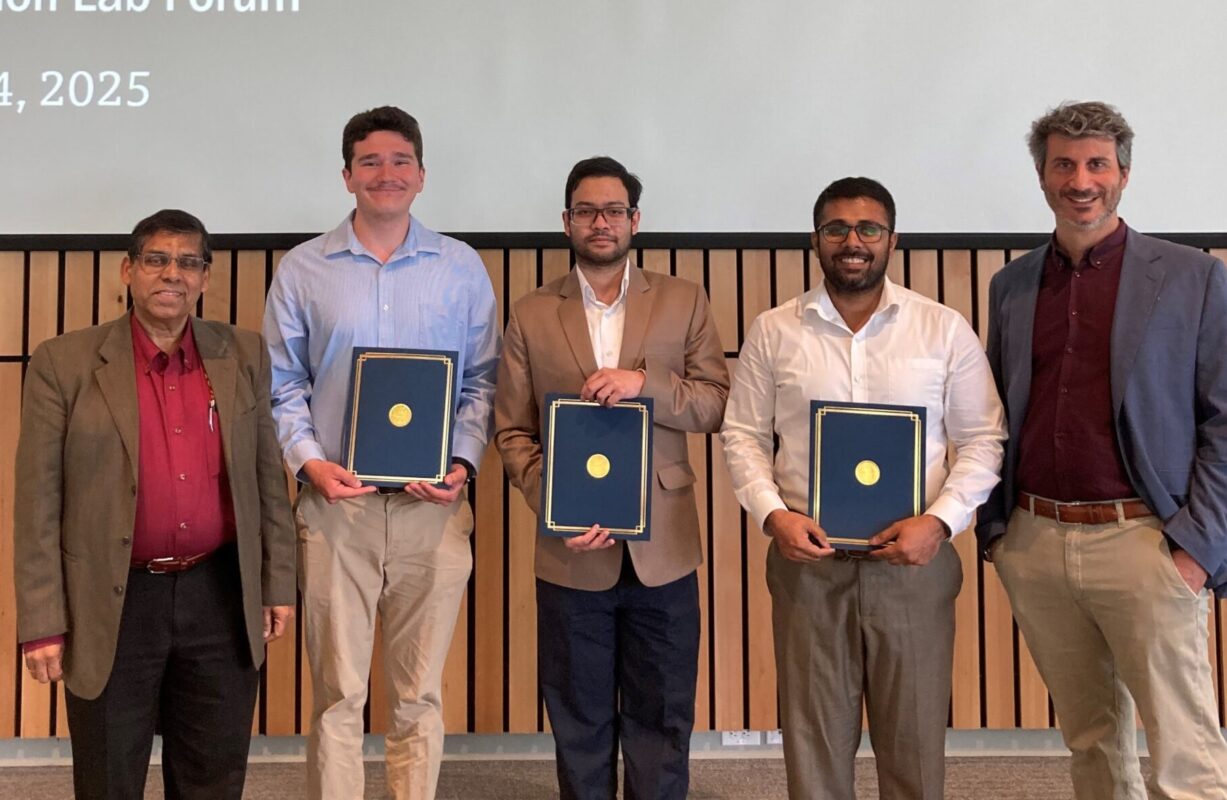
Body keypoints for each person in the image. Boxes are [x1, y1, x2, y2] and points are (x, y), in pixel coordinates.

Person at [720, 177, 1005, 799]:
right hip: (808, 564)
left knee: (915, 742)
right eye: (837, 229)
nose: (853, 242)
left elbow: (984, 441)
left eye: (868, 229)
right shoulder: (774, 330)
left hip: (914, 564)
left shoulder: (942, 329)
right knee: (814, 742)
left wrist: (940, 523)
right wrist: (773, 516)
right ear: (816, 241)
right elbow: (741, 436)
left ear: (891, 240)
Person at [977, 100, 1227, 799]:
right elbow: (995, 411)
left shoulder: (1191, 278)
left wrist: (1194, 549)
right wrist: (1000, 534)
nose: (1079, 180)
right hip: (1037, 542)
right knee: (1090, 740)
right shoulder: (1011, 285)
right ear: (1041, 176)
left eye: (1095, 165)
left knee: (1184, 751)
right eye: (1063, 164)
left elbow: (1224, 420)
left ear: (1122, 175)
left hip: (1145, 544)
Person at [13, 209, 296, 799]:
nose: (173, 274)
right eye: (157, 260)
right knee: (110, 778)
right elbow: (38, 500)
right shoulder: (63, 363)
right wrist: (42, 620)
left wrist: (276, 584)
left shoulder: (242, 354)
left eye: (189, 262)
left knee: (213, 777)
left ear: (205, 278)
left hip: (218, 595)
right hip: (113, 600)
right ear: (128, 271)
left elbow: (269, 479)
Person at [263, 106, 499, 800]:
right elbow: (283, 386)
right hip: (339, 512)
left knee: (417, 695)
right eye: (369, 162)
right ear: (346, 176)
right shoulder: (304, 269)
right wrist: (310, 462)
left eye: (400, 161)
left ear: (421, 176)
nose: (385, 174)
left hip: (434, 514)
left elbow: (482, 382)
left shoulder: (460, 268)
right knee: (337, 694)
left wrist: (461, 462)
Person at [494, 156, 729, 799]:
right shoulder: (532, 312)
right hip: (571, 552)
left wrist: (645, 385)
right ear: (567, 222)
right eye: (588, 211)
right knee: (579, 719)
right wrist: (555, 504)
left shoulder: (683, 299)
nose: (602, 222)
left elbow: (715, 403)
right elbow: (513, 430)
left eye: (615, 210)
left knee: (663, 715)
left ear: (636, 220)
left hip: (666, 552)